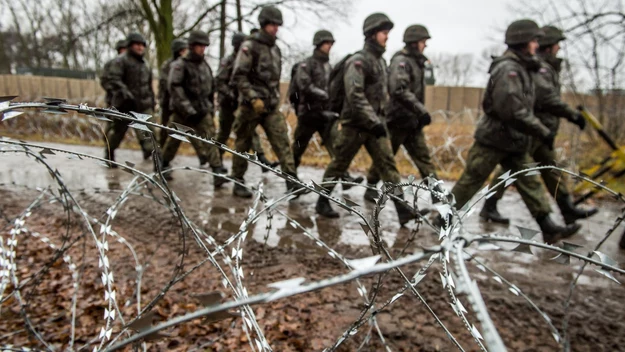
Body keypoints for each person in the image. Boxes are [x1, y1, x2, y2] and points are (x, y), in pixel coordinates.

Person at [449, 19, 581, 243]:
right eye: (533, 40)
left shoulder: (523, 68)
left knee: (529, 181)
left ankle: (547, 225)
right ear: (521, 42)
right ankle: (444, 217)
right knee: (471, 180)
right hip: (494, 139)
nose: (536, 45)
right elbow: (512, 109)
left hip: (514, 141)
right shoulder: (508, 69)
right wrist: (541, 130)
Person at [480, 25, 597, 225]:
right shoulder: (538, 68)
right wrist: (571, 114)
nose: (559, 48)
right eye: (557, 44)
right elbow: (546, 97)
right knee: (514, 168)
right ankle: (490, 205)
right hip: (534, 128)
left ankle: (565, 207)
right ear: (548, 46)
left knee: (550, 169)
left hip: (542, 129)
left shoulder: (542, 66)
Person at [314, 13, 416, 226]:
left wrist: (379, 120)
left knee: (388, 166)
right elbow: (355, 95)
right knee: (339, 164)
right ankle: (322, 201)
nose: (387, 37)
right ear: (371, 34)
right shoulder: (359, 61)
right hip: (356, 125)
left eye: (387, 33)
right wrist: (373, 120)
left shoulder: (379, 61)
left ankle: (402, 209)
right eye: (383, 33)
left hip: (375, 125)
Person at [229, 6, 305, 198]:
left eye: (277, 25)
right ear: (263, 24)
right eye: (272, 24)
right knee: (243, 143)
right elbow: (238, 76)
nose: (275, 28)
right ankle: (238, 181)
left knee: (282, 142)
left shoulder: (275, 49)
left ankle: (292, 181)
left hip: (270, 106)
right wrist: (253, 97)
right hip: (250, 106)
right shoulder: (250, 46)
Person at [363, 24, 440, 205]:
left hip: (412, 122)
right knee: (386, 158)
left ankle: (439, 197)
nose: (425, 45)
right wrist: (420, 110)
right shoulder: (401, 62)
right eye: (422, 42)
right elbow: (398, 89)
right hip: (397, 120)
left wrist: (417, 113)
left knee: (424, 160)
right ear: (413, 43)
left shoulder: (418, 62)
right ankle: (371, 185)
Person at [291, 30, 364, 189]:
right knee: (297, 149)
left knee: (337, 148)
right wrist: (325, 95)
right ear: (318, 44)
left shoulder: (328, 66)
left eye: (331, 44)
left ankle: (343, 178)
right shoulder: (306, 64)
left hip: (325, 115)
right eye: (326, 43)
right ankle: (290, 180)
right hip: (308, 114)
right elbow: (304, 86)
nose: (329, 46)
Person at [160, 31, 229, 187]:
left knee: (210, 138)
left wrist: (210, 109)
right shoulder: (180, 65)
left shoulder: (204, 66)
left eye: (204, 46)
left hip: (202, 111)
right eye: (199, 46)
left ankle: (217, 170)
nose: (202, 49)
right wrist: (187, 109)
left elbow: (210, 88)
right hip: (182, 112)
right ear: (192, 46)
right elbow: (174, 87)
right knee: (174, 140)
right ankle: (163, 163)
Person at [215, 32, 278, 171]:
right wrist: (230, 95)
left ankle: (262, 159)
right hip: (227, 105)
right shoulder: (229, 61)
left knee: (249, 133)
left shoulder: (246, 58)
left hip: (241, 103)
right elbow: (219, 82)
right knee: (223, 135)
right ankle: (216, 163)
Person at [103, 32, 156, 165]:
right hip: (124, 106)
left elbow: (148, 86)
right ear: (130, 46)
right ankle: (109, 153)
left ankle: (158, 164)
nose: (140, 48)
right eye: (137, 45)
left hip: (143, 106)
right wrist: (125, 94)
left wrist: (152, 101)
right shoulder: (120, 61)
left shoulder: (145, 65)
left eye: (142, 45)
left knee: (150, 134)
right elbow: (113, 79)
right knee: (117, 133)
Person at [158, 38, 188, 147]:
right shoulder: (168, 65)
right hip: (167, 101)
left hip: (178, 102)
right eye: (184, 50)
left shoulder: (185, 64)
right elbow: (166, 83)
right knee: (165, 127)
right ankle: (160, 148)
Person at [101, 39, 127, 107]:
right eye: (123, 49)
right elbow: (104, 80)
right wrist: (114, 90)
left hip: (129, 101)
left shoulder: (132, 64)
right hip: (114, 100)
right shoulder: (111, 64)